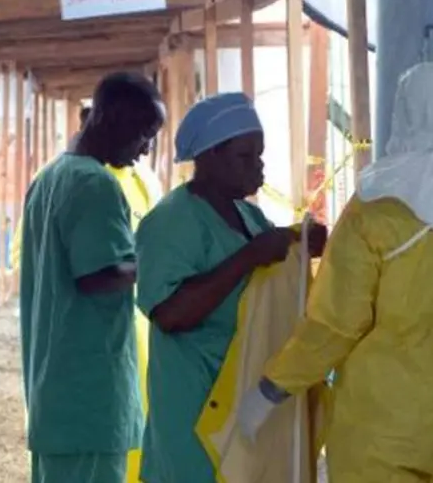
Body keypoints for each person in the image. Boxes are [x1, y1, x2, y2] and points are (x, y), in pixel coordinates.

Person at [236, 62, 433, 483]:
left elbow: (335, 325)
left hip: (383, 438)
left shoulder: (378, 206)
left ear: (408, 114)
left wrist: (272, 389)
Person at [134, 91, 327, 482]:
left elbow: (270, 272)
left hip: (247, 407)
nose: (258, 168)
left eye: (260, 156)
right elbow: (170, 314)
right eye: (245, 157)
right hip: (196, 408)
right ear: (208, 158)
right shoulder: (170, 222)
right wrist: (248, 257)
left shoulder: (249, 215)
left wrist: (299, 242)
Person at [19, 71, 163, 483]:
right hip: (89, 397)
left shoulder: (50, 178)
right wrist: (165, 261)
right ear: (113, 117)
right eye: (145, 132)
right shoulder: (94, 184)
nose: (146, 148)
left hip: (56, 393)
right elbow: (99, 276)